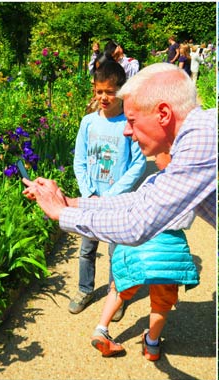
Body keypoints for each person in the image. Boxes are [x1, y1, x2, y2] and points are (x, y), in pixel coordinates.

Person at [22, 62, 216, 247]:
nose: (127, 131)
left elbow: (136, 225)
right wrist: (70, 202)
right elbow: (142, 198)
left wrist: (61, 213)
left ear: (163, 114)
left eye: (132, 121)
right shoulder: (193, 138)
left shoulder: (200, 140)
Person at [89, 151, 199, 361]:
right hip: (169, 250)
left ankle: (101, 329)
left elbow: (134, 207)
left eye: (159, 152)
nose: (154, 156)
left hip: (139, 243)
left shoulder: (153, 180)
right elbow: (187, 219)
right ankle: (152, 345)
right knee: (162, 301)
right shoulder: (190, 187)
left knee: (119, 288)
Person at [70, 60, 147, 316]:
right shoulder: (88, 123)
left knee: (117, 252)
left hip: (117, 203)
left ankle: (117, 295)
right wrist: (87, 191)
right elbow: (79, 160)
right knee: (87, 249)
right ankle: (85, 289)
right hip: (92, 199)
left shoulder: (129, 123)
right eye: (99, 91)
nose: (103, 97)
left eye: (109, 92)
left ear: (122, 91)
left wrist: (114, 195)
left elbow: (138, 163)